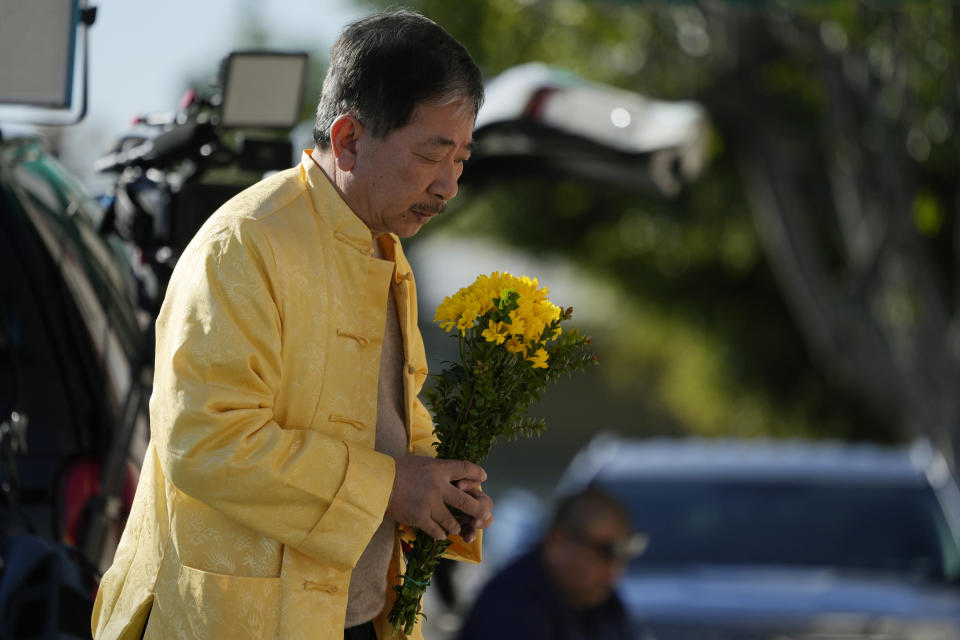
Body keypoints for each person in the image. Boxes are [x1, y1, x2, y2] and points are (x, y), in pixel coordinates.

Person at [91, 10, 493, 640]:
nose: (448, 186)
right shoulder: (245, 243)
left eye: (461, 160)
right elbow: (205, 441)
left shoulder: (384, 248)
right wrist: (391, 488)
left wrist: (441, 495)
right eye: (430, 155)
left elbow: (386, 436)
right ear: (350, 139)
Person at [458, 488, 645, 640]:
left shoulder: (605, 606)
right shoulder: (509, 607)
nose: (613, 571)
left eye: (623, 556)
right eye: (604, 552)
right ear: (558, 543)